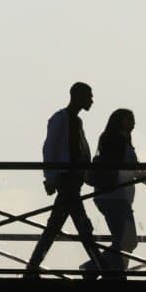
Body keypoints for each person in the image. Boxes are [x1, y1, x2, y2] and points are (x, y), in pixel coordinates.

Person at [24, 82, 105, 278]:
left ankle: (32, 267)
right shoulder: (62, 119)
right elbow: (50, 149)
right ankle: (104, 269)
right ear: (77, 96)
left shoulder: (74, 121)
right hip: (68, 180)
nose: (92, 100)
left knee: (58, 227)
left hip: (71, 180)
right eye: (89, 96)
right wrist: (51, 177)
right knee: (81, 228)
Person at [81, 108, 146, 279]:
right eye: (129, 119)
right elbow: (137, 170)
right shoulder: (117, 141)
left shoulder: (115, 140)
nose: (133, 123)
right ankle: (94, 268)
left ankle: (112, 274)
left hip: (111, 196)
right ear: (120, 121)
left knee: (123, 242)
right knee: (127, 241)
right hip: (114, 197)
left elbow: (135, 170)